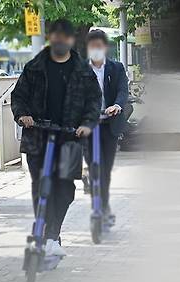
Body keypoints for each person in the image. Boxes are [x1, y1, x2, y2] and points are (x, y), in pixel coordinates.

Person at [11, 19, 102, 256]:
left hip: (69, 137)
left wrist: (86, 123)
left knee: (64, 190)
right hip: (37, 136)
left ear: (72, 40)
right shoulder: (34, 67)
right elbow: (18, 96)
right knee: (41, 187)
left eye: (65, 37)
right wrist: (23, 115)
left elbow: (94, 100)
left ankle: (53, 234)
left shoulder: (83, 70)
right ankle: (45, 232)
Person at [85, 29, 129, 226]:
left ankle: (103, 206)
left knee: (105, 168)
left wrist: (117, 106)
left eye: (99, 45)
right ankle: (100, 207)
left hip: (109, 125)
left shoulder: (116, 68)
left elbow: (122, 90)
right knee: (96, 167)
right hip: (89, 127)